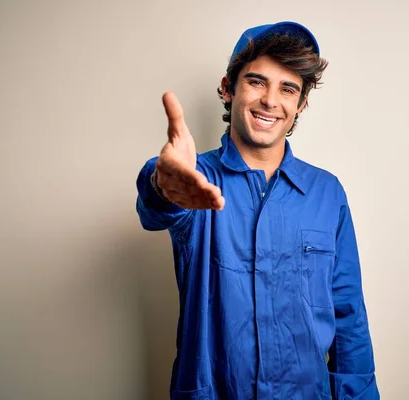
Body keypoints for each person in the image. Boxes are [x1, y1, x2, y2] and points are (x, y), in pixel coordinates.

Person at [136, 21, 379, 400]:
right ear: (228, 88)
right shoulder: (196, 179)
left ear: (300, 104)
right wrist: (160, 183)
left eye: (288, 88)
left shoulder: (327, 194)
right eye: (256, 81)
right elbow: (156, 207)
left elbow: (349, 318)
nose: (270, 100)